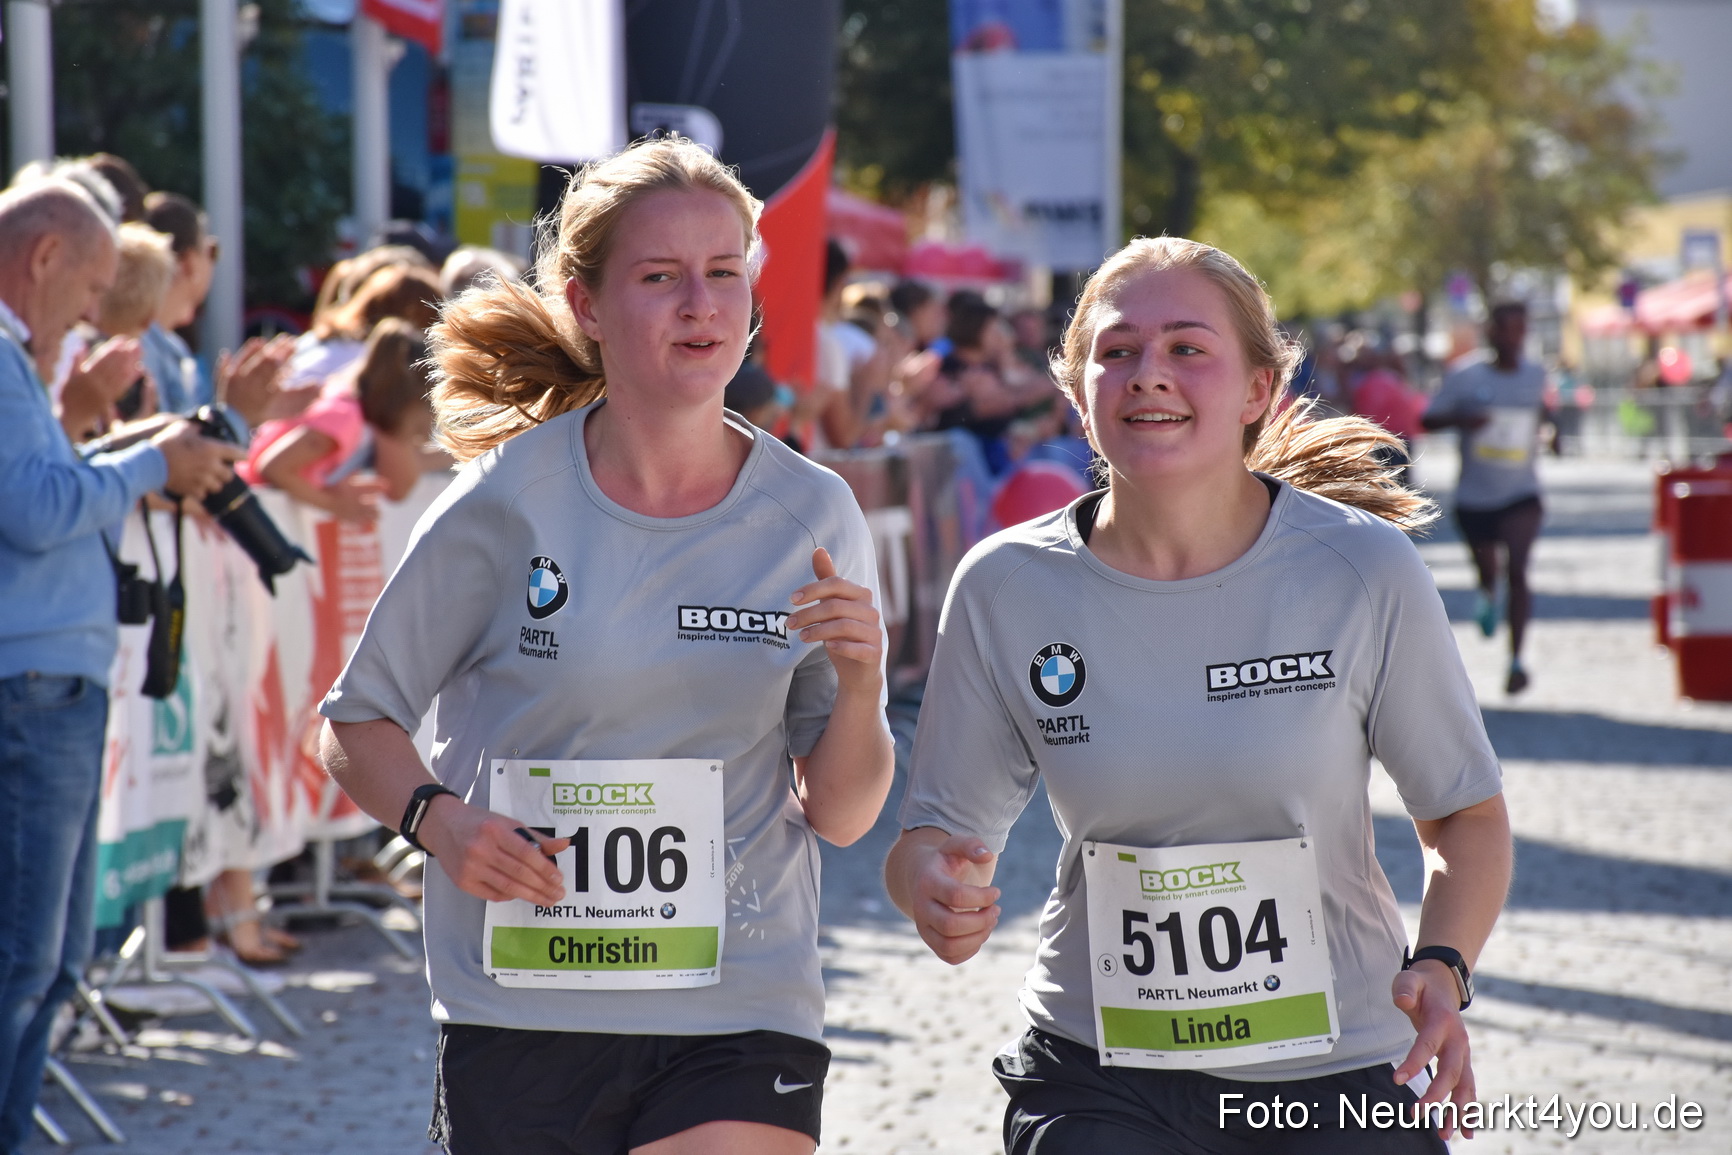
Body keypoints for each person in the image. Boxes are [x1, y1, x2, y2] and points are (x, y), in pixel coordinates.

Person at [317, 137, 893, 1155]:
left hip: (738, 1000)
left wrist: (857, 689)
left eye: (724, 274)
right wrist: (440, 823)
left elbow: (841, 816)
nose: (700, 305)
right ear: (586, 304)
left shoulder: (812, 512)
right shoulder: (502, 504)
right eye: (660, 277)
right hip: (525, 1002)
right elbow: (357, 723)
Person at [886, 236, 1512, 1154]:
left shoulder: (1361, 568)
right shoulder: (1005, 583)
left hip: (1334, 1066)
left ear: (1258, 390)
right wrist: (931, 887)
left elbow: (1463, 816)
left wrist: (1444, 965)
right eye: (1118, 351)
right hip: (1098, 1070)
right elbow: (931, 835)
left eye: (1187, 348)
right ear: (1077, 387)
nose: (1149, 375)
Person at [0, 178, 241, 1153]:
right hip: (34, 685)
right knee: (27, 958)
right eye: (93, 285)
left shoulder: (21, 362)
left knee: (48, 964)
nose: (98, 311)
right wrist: (150, 465)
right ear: (45, 257)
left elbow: (46, 487)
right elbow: (38, 507)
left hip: (53, 681)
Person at [1420, 302, 1552, 694]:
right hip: (1475, 497)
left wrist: (1553, 430)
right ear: (1490, 332)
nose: (1513, 339)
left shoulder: (1535, 374)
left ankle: (1516, 661)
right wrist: (1463, 419)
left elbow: (1541, 413)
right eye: (1505, 330)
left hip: (1521, 492)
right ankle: (1486, 590)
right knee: (1491, 572)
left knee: (1519, 572)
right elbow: (1427, 419)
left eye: (1520, 330)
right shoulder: (1464, 376)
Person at [242, 318, 439, 525]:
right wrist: (336, 505)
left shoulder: (354, 415)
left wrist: (326, 489)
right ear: (408, 399)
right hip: (245, 508)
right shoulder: (345, 417)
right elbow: (273, 467)